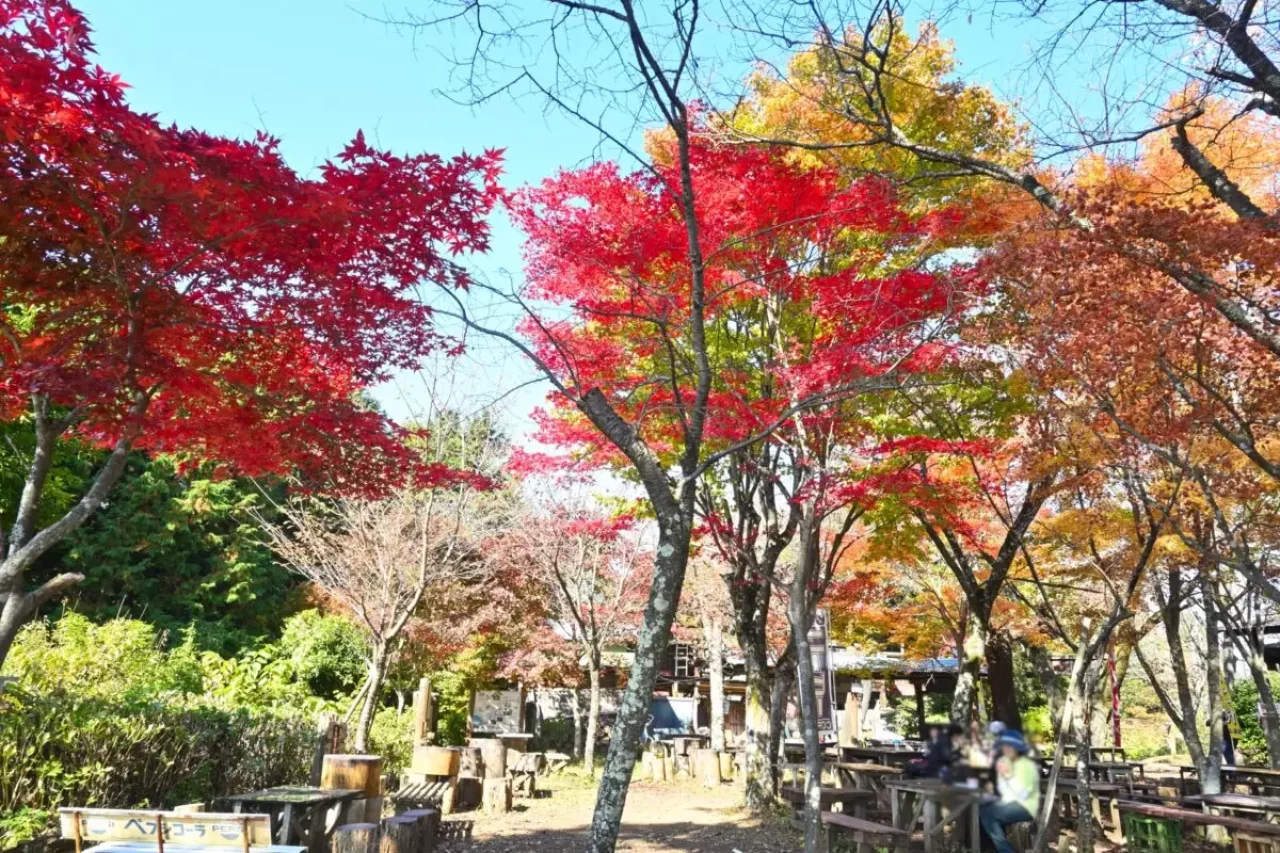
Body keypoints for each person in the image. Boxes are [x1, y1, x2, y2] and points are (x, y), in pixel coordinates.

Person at [979, 731, 1039, 853]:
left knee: (986, 812)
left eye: (1009, 746)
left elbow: (1024, 795)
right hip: (1011, 804)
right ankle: (990, 848)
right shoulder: (1006, 762)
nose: (1006, 749)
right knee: (981, 808)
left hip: (1026, 806)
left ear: (1017, 748)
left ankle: (1004, 850)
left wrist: (1009, 776)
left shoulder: (1026, 765)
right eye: (1004, 746)